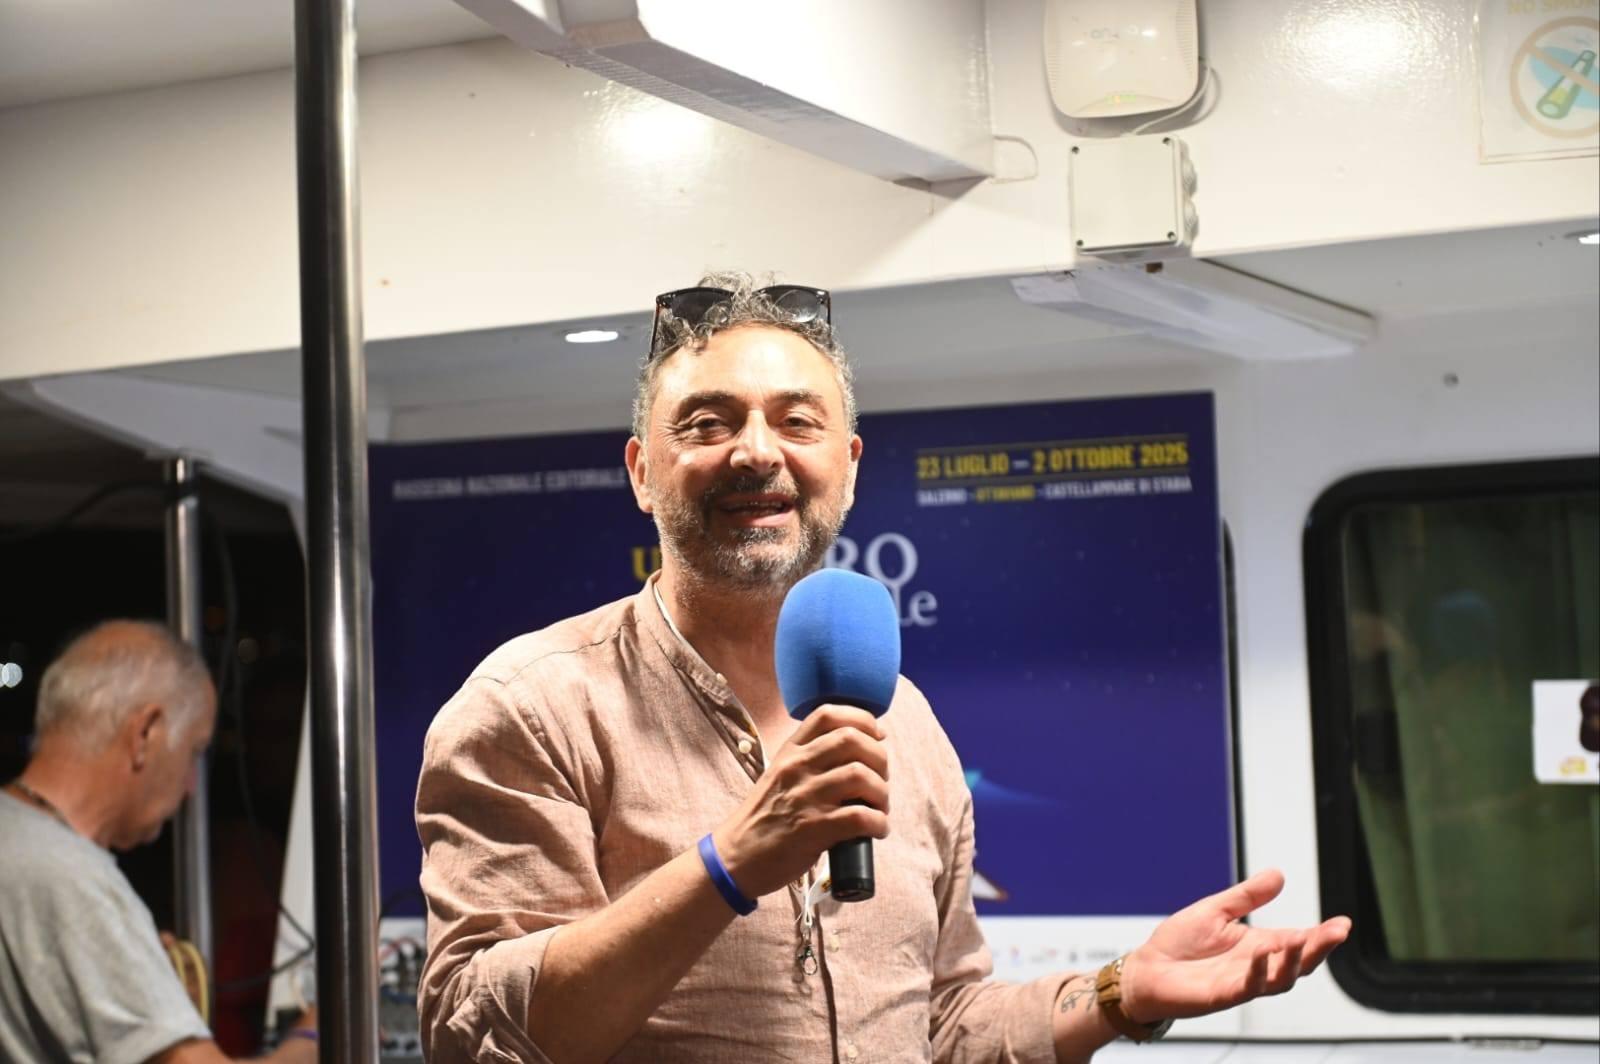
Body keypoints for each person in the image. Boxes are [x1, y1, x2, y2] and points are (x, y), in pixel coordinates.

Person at [415, 274, 1351, 1063]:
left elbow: (941, 1024)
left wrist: (1118, 994)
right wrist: (728, 866)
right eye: (707, 423)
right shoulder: (531, 708)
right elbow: (473, 1031)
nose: (757, 450)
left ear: (850, 467)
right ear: (641, 472)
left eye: (798, 421)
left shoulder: (904, 720)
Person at [0, 620, 318, 1064]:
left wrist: (147, 993)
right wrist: (314, 1032)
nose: (191, 787)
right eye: (193, 751)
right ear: (145, 733)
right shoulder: (77, 882)